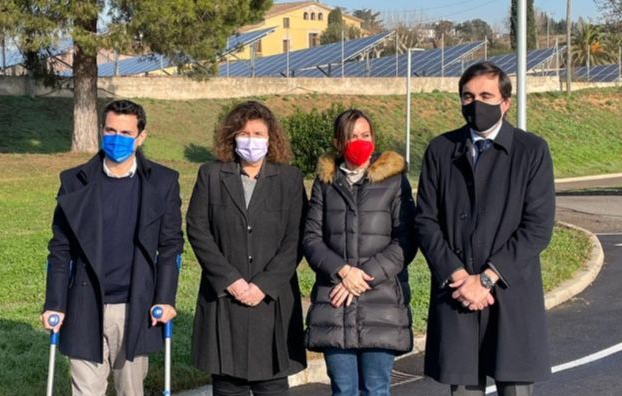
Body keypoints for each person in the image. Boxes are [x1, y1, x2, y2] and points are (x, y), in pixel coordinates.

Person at [415, 61, 556, 396]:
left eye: (485, 95)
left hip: (511, 294)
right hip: (457, 294)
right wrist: (458, 275)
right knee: (463, 387)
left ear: (505, 103)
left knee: (516, 387)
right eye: (467, 96)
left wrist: (488, 278)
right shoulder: (440, 150)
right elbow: (425, 220)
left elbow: (537, 227)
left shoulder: (532, 150)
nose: (475, 103)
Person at [41, 99, 184, 395]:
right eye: (110, 130)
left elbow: (170, 246)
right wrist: (55, 303)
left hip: (135, 305)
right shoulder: (74, 181)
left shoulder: (162, 182)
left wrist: (165, 298)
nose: (116, 138)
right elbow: (60, 250)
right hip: (84, 301)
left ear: (140, 137)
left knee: (130, 390)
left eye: (125, 133)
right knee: (85, 390)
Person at [187, 101, 307, 396]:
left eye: (258, 133)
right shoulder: (212, 175)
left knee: (273, 383)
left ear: (271, 138)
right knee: (228, 384)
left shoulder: (289, 179)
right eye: (244, 133)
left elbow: (297, 237)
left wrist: (264, 285)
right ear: (231, 136)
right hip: (225, 300)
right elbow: (198, 229)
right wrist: (232, 281)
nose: (251, 139)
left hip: (272, 300)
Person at [303, 109, 416, 396]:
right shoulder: (325, 183)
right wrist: (343, 271)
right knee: (343, 389)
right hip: (334, 303)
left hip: (382, 302)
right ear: (338, 142)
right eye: (352, 136)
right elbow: (311, 238)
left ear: (374, 139)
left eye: (365, 135)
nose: (359, 141)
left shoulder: (394, 181)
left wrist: (363, 277)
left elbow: (406, 239)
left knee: (376, 389)